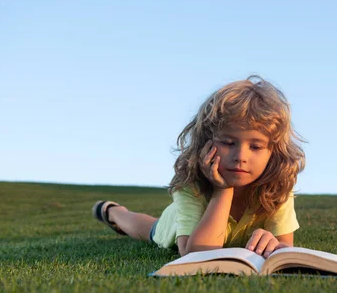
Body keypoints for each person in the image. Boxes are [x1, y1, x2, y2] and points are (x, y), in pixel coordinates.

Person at [92, 75, 305, 258]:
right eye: (228, 143)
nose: (240, 156)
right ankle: (114, 212)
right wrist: (223, 190)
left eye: (256, 146)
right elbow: (197, 254)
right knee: (147, 228)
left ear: (273, 152)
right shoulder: (191, 186)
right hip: (175, 224)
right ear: (206, 142)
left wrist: (275, 244)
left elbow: (286, 246)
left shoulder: (277, 188)